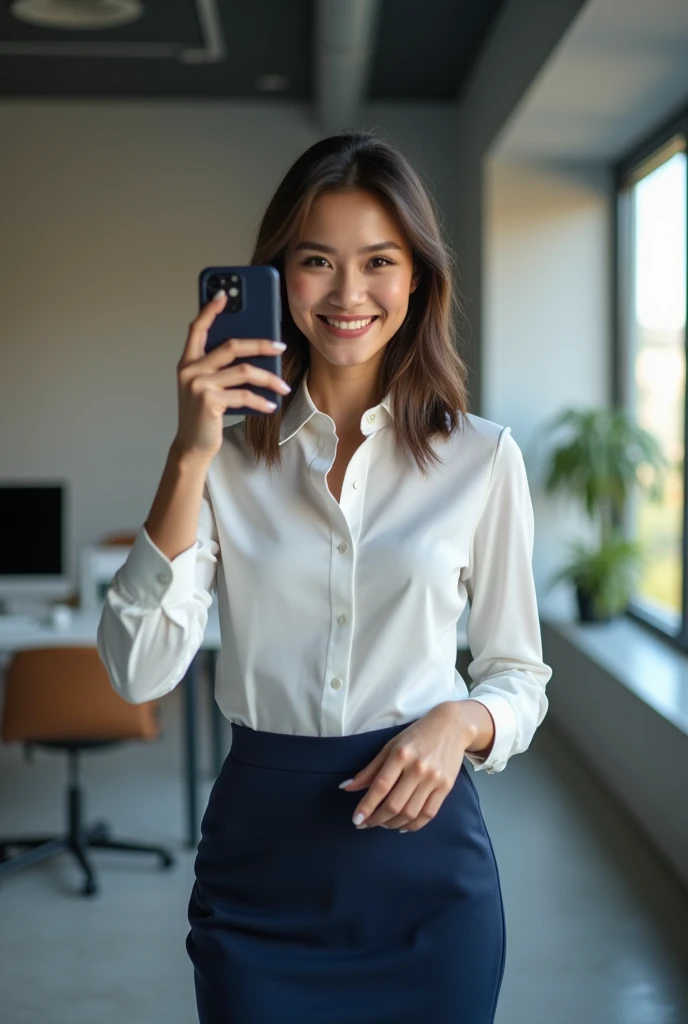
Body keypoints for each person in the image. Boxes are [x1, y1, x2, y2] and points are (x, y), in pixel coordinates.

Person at [97, 130, 553, 1024]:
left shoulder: (484, 460)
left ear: (416, 277)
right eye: (317, 262)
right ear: (279, 277)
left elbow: (519, 677)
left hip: (431, 877)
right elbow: (137, 671)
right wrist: (188, 456)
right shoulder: (223, 467)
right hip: (260, 869)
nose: (348, 295)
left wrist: (462, 720)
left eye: (378, 261)